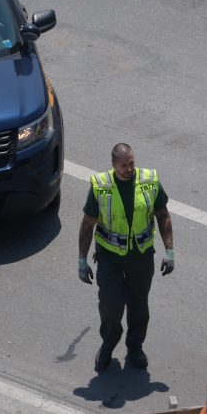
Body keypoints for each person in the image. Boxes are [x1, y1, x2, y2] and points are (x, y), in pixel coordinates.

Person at [77, 142, 176, 372]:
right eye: (123, 166)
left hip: (140, 257)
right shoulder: (100, 187)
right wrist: (82, 260)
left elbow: (163, 216)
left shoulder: (149, 181)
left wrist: (169, 251)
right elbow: (87, 225)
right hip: (109, 258)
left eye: (131, 163)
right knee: (111, 307)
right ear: (113, 165)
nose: (129, 169)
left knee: (139, 307)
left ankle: (135, 348)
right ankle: (108, 346)